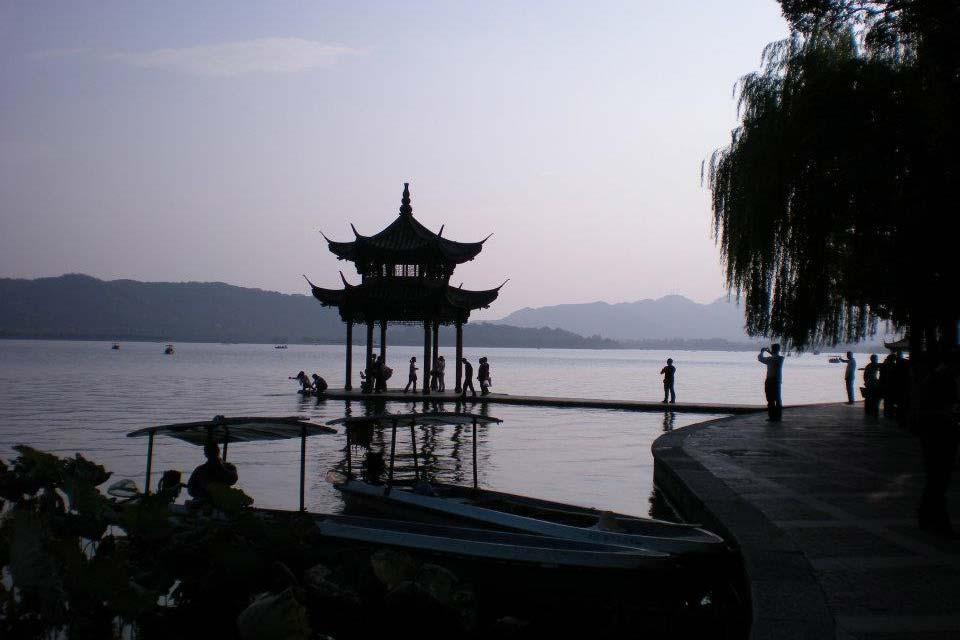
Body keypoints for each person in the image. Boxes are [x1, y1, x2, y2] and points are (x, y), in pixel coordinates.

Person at [758, 344, 784, 421]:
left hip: (770, 380)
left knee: (770, 399)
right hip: (777, 380)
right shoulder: (780, 358)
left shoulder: (769, 360)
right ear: (778, 350)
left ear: (772, 350)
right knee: (777, 398)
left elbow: (760, 358)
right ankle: (778, 416)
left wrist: (763, 351)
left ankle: (772, 416)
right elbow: (775, 356)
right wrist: (769, 352)